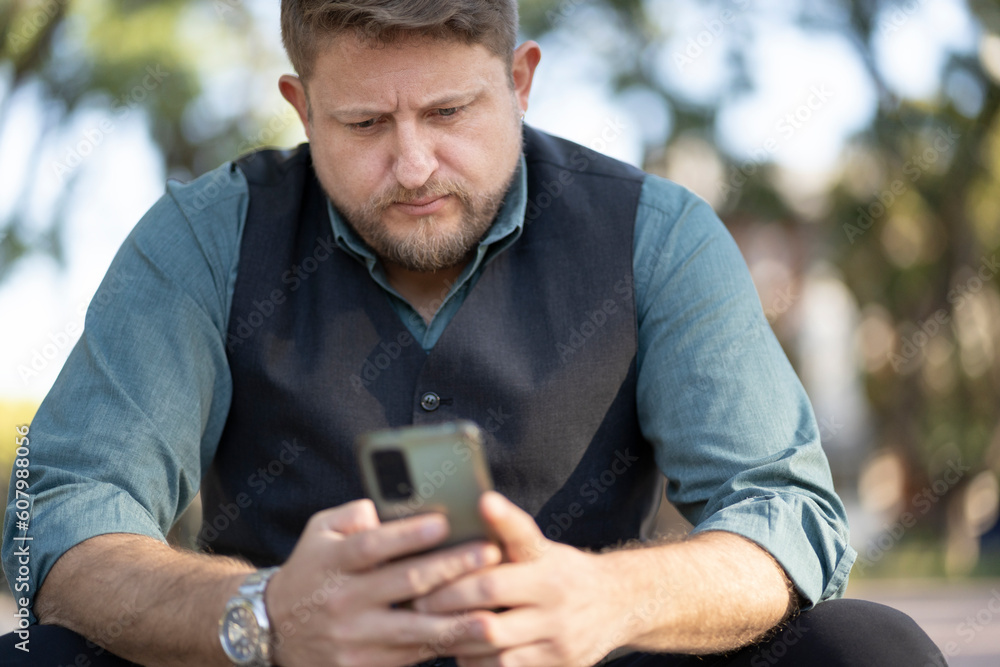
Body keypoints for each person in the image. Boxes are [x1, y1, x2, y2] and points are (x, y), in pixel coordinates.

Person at [2, 1, 944, 666]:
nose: (413, 164)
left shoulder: (657, 234)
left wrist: (604, 599)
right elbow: (65, 510)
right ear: (300, 107)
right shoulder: (205, 239)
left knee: (868, 649)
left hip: (593, 662)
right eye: (365, 122)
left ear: (521, 80)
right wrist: (258, 617)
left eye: (451, 112)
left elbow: (787, 513)